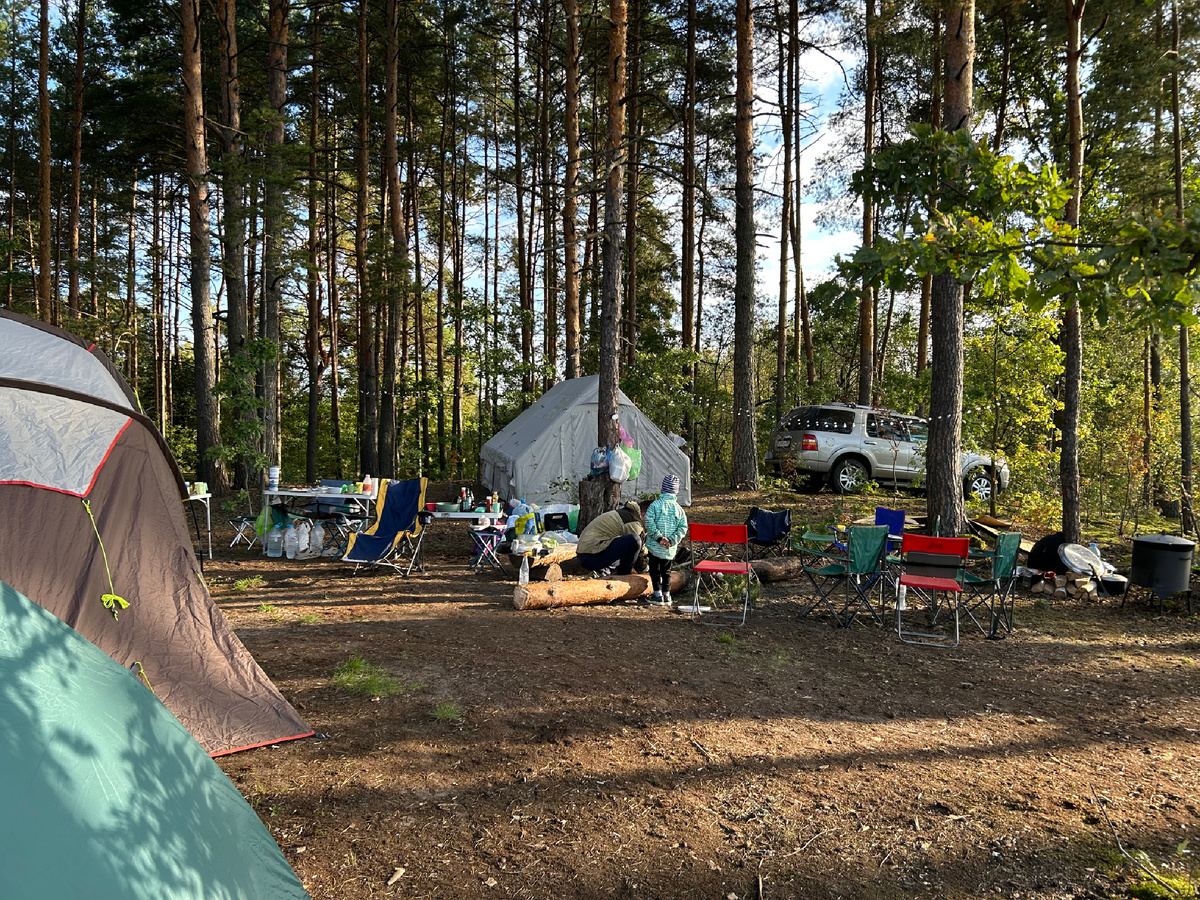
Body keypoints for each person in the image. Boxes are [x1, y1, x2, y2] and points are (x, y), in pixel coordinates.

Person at [644, 474, 688, 607]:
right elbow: (683, 528)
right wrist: (672, 540)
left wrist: (658, 537)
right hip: (669, 548)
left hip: (655, 546)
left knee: (655, 570)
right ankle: (667, 595)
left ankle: (658, 595)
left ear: (662, 489)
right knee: (666, 571)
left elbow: (649, 522)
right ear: (676, 491)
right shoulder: (679, 509)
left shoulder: (655, 505)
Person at [576, 500, 645, 577]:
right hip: (590, 558)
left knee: (626, 553)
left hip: (587, 555)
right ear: (644, 515)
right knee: (634, 540)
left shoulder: (625, 514)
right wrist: (646, 569)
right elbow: (639, 555)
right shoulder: (633, 522)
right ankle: (624, 576)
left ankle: (604, 571)